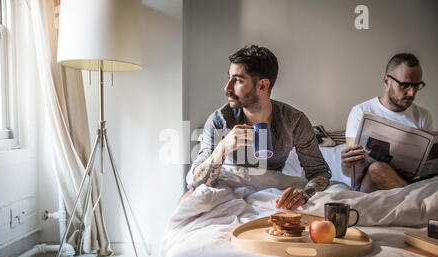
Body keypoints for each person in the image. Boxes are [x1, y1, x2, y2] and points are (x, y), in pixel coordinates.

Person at [183, 45, 331, 209]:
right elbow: (196, 181)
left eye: (238, 80)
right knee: (188, 201)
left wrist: (303, 195)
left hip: (272, 191)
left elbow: (319, 172)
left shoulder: (293, 121)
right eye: (229, 78)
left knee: (341, 197)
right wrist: (222, 148)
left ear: (262, 86)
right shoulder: (220, 120)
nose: (227, 88)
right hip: (230, 187)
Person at [341, 53, 434, 193]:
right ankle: (416, 200)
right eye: (405, 85)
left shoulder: (423, 115)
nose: (412, 93)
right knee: (376, 168)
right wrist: (346, 164)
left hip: (409, 181)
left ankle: (413, 197)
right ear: (386, 81)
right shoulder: (361, 111)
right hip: (370, 182)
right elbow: (351, 171)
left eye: (417, 85)